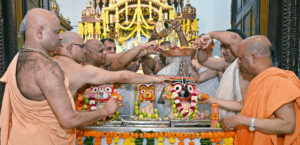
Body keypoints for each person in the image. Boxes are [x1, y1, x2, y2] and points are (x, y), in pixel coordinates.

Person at [0, 8, 122, 145]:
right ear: (39, 32)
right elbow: (69, 119)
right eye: (57, 32)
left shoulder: (17, 60)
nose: (60, 37)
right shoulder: (47, 68)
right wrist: (105, 110)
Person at [201, 35, 300, 145]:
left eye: (241, 58)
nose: (238, 62)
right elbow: (243, 105)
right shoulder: (258, 81)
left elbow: (287, 125)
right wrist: (211, 99)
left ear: (253, 58)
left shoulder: (278, 81)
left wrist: (241, 120)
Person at [53, 31, 171, 97]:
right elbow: (124, 75)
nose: (105, 53)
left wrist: (144, 50)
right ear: (70, 48)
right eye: (82, 47)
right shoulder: (81, 69)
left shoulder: (55, 61)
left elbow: (119, 57)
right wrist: (155, 78)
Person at [193, 29, 250, 118]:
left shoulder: (244, 64)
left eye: (227, 46)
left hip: (239, 122)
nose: (223, 51)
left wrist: (210, 35)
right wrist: (201, 47)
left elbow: (234, 38)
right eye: (221, 47)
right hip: (223, 122)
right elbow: (203, 60)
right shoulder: (225, 64)